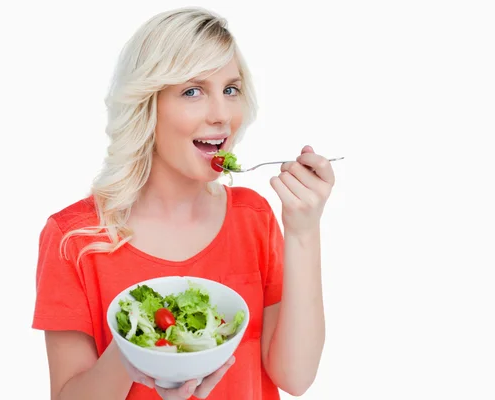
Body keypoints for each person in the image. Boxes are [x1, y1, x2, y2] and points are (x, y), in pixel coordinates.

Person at [32, 6, 336, 400]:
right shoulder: (73, 238)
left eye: (231, 89)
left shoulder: (253, 218)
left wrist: (303, 231)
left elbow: (295, 378)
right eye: (192, 91)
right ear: (147, 105)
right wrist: (132, 357)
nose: (222, 115)